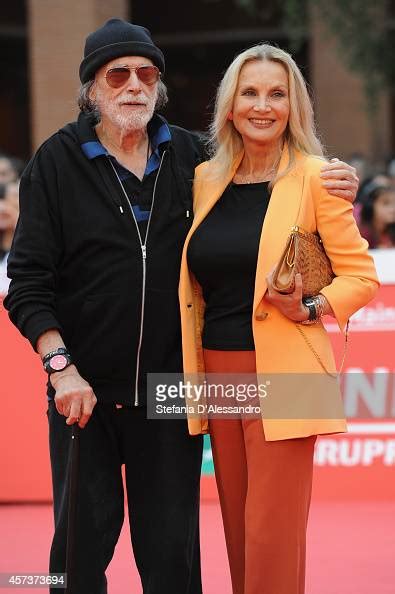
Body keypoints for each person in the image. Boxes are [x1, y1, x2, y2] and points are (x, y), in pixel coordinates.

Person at [4, 18, 359, 594]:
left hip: (175, 391)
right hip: (84, 393)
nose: (134, 86)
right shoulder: (55, 162)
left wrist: (333, 177)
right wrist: (60, 367)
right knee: (74, 557)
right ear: (91, 86)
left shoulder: (196, 161)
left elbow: (273, 171)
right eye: (117, 74)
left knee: (174, 559)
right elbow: (26, 283)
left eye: (147, 74)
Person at [179, 44, 379, 594]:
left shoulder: (319, 178)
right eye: (249, 92)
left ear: (295, 107)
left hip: (291, 374)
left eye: (276, 94)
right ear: (229, 104)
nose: (262, 106)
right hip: (218, 370)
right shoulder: (203, 180)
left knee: (272, 534)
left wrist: (312, 306)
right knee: (238, 529)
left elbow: (362, 277)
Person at [358, 180, 395, 248]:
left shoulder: (390, 231)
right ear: (370, 206)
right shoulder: (361, 234)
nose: (393, 208)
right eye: (386, 203)